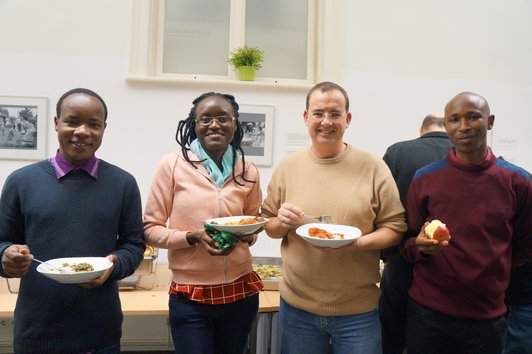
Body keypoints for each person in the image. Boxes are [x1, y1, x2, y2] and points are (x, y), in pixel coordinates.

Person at [261, 81, 407, 354]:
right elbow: (269, 226)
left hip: (358, 311)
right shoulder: (288, 167)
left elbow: (395, 227)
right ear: (306, 118)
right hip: (297, 308)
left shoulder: (373, 166)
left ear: (347, 119)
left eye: (335, 114)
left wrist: (358, 243)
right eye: (318, 113)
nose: (326, 122)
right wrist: (281, 221)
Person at [0, 88, 145, 353]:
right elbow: (2, 243)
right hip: (37, 333)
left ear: (103, 128)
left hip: (100, 335)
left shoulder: (122, 183)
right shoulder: (21, 182)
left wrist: (114, 265)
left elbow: (134, 246)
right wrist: (6, 257)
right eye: (72, 121)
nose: (82, 131)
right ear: (56, 123)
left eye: (94, 124)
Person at [401, 92, 532, 354]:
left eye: (473, 117)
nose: (463, 126)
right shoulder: (426, 179)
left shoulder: (518, 182)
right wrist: (422, 247)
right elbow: (407, 243)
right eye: (454, 119)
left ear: (490, 121)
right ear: (446, 126)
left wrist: (489, 272)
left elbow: (524, 249)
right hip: (428, 314)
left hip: (486, 318)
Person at [143, 92, 263, 354]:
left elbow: (254, 223)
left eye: (223, 118)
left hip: (240, 290)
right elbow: (150, 229)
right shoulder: (172, 165)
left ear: (235, 123)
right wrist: (192, 237)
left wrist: (245, 235)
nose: (214, 124)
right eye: (205, 119)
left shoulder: (248, 169)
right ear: (193, 125)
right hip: (191, 294)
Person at [379, 113, 453, 354]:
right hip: (451, 271)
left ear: (421, 131)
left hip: (402, 262)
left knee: (392, 337)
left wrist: (385, 254)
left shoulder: (398, 152)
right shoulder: (466, 154)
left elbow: (379, 208)